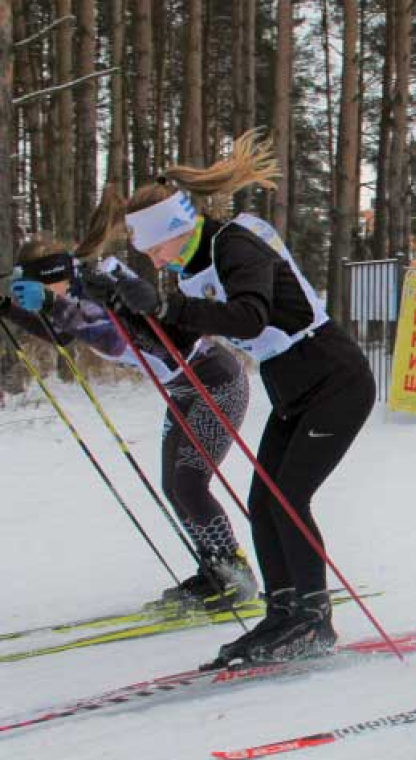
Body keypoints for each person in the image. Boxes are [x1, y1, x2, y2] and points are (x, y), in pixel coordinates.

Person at [80, 132, 377, 664]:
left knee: (289, 498)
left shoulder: (234, 244)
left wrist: (164, 307)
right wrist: (122, 308)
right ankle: (283, 614)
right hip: (291, 386)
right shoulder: (193, 270)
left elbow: (249, 316)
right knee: (264, 501)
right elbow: (173, 348)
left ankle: (314, 619)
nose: (151, 260)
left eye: (151, 249)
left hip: (336, 377)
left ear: (174, 231)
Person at [7, 236, 256, 610]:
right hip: (184, 390)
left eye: (41, 287)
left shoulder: (100, 290)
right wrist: (9, 308)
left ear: (55, 276)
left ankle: (236, 572)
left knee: (190, 484)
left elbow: (110, 334)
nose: (41, 295)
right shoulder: (73, 296)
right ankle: (213, 570)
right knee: (173, 486)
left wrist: (49, 304)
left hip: (216, 384)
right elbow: (61, 330)